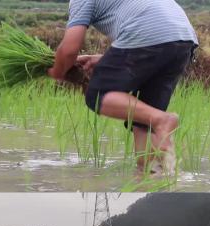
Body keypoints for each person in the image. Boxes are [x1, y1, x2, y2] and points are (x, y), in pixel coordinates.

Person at [47, 0, 198, 175]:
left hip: (147, 31)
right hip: (183, 38)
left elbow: (69, 49)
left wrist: (57, 71)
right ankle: (154, 176)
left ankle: (161, 120)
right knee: (144, 121)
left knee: (97, 94)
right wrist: (104, 59)